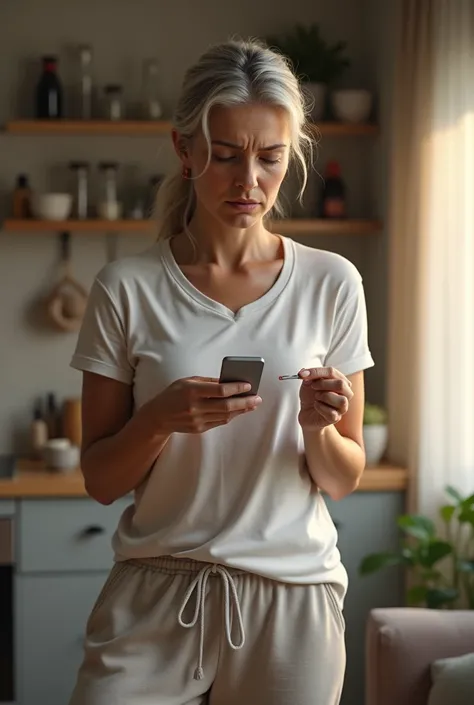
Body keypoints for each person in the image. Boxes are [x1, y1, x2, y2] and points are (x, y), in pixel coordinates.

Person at [68, 38, 374, 705]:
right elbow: (99, 479)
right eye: (226, 156)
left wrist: (319, 430)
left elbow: (344, 478)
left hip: (292, 596)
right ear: (184, 150)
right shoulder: (125, 287)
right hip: (156, 589)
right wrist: (157, 419)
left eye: (269, 158)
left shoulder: (333, 283)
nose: (249, 183)